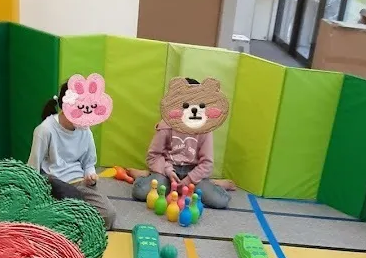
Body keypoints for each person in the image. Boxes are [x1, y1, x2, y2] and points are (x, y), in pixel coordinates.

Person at [130, 78, 234, 210]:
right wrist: (168, 171)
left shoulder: (205, 129)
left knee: (220, 201)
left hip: (193, 172)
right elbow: (154, 155)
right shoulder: (166, 125)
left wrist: (188, 180)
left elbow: (206, 163)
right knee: (140, 192)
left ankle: (214, 183)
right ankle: (143, 176)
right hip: (167, 171)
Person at [28, 81, 117, 230]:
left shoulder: (85, 130)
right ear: (65, 107)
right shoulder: (45, 130)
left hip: (79, 184)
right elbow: (32, 169)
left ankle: (67, 217)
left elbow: (89, 163)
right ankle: (63, 215)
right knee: (62, 201)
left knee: (108, 215)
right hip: (53, 184)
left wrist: (91, 176)